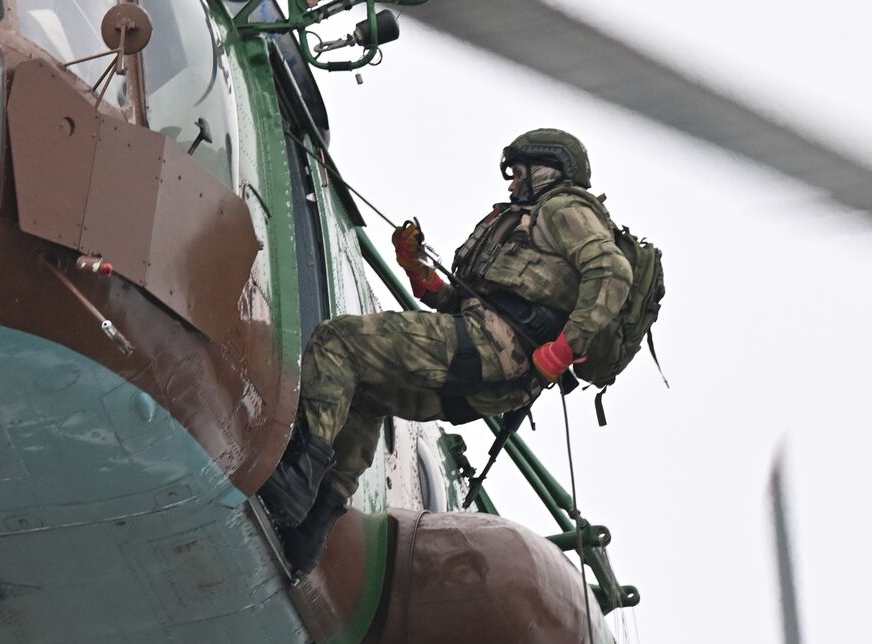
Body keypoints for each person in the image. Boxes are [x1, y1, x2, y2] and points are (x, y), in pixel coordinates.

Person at [260, 128, 633, 573]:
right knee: (365, 390)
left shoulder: (564, 207)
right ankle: (310, 530)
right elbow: (465, 303)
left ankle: (295, 479)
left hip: (495, 349)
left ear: (548, 170)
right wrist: (418, 271)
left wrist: (564, 350)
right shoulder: (525, 224)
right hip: (488, 368)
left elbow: (613, 272)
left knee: (339, 340)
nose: (512, 184)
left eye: (518, 173)